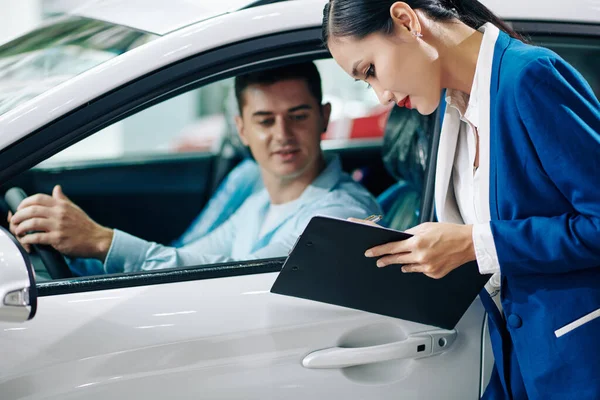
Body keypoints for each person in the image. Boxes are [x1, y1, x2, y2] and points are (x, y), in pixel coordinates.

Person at [323, 1, 600, 399]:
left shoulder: (529, 77)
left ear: (406, 20)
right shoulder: (446, 109)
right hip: (519, 366)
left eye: (370, 71)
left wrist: (475, 244)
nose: (381, 95)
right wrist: (396, 243)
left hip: (581, 363)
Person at [8, 62, 382, 274]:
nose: (282, 134)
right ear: (242, 129)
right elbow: (189, 256)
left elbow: (225, 275)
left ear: (324, 118)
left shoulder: (340, 216)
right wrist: (69, 254)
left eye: (297, 116)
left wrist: (102, 241)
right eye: (265, 120)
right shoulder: (253, 185)